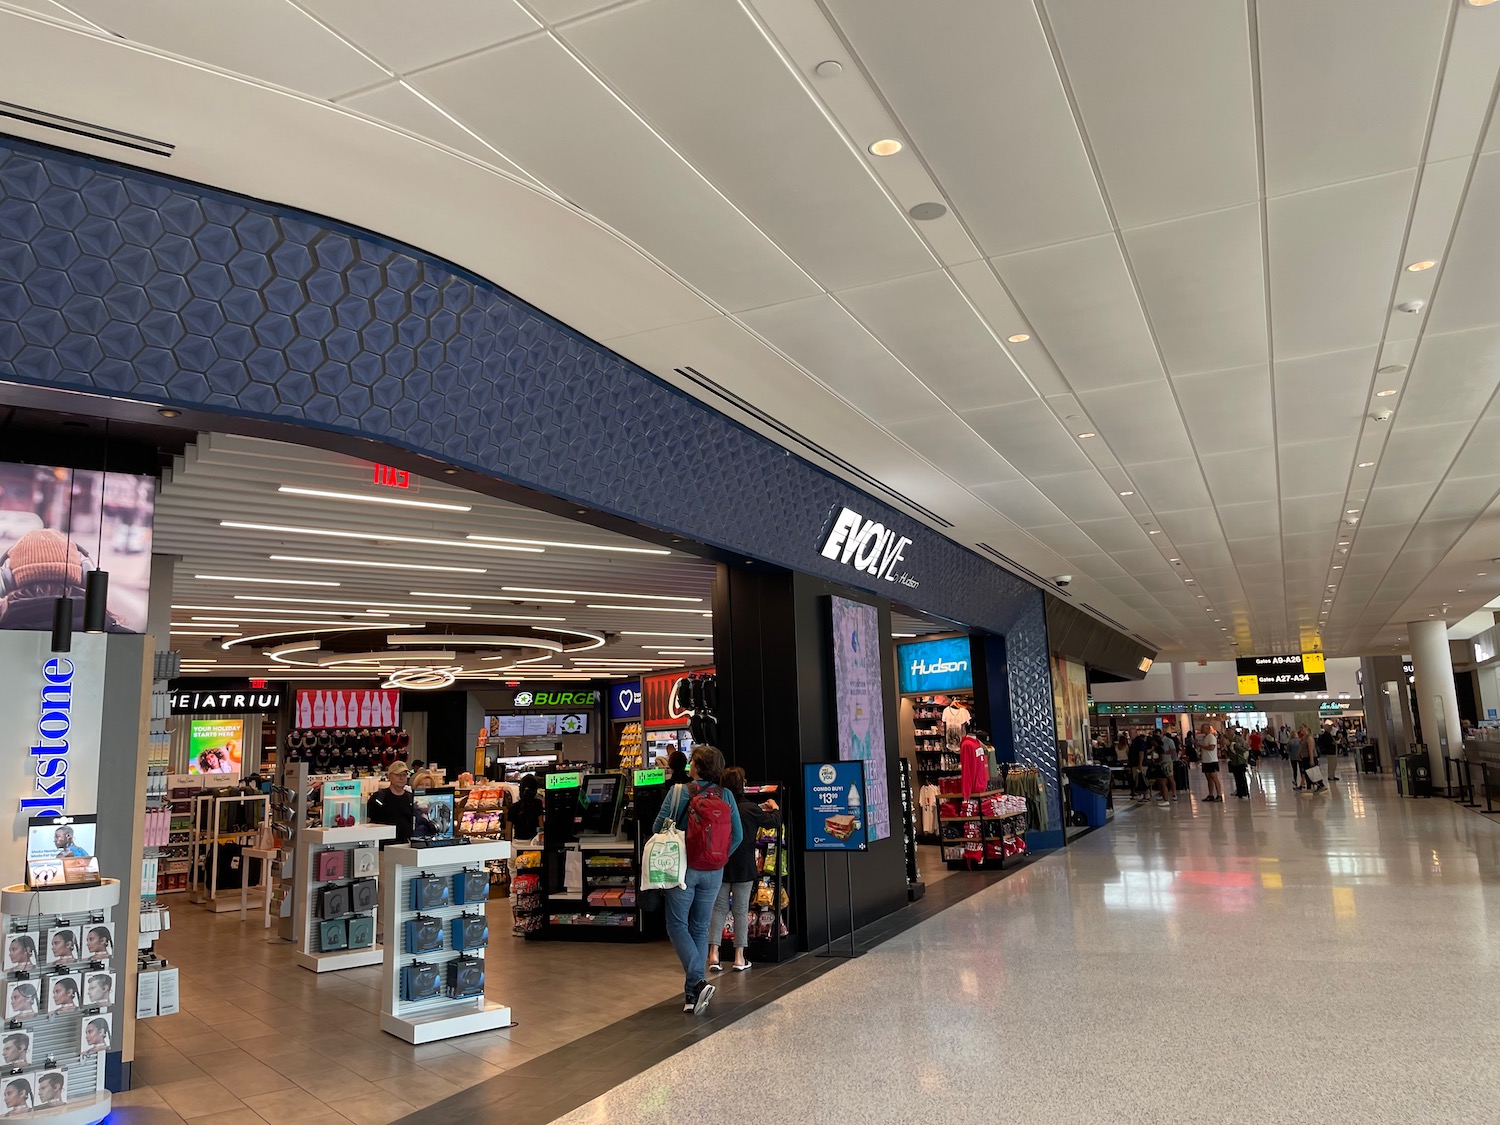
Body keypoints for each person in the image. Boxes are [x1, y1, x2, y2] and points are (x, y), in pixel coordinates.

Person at [653, 745, 742, 1016]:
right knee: (700, 927)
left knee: (676, 925)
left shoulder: (678, 791)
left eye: (692, 760)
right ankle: (692, 994)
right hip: (714, 871)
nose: (689, 764)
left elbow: (657, 827)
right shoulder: (726, 795)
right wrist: (719, 858)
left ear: (698, 766)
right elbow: (737, 835)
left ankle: (698, 981)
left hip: (683, 869)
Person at [707, 767, 780, 974]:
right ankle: (739, 957)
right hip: (745, 865)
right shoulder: (750, 809)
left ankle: (714, 954)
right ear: (742, 785)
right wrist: (774, 807)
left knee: (719, 909)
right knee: (740, 911)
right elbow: (773, 821)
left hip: (720, 863)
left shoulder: (718, 807)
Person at [367, 762, 418, 844]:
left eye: (404, 775)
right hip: (383, 848)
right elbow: (367, 822)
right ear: (389, 776)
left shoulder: (410, 798)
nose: (401, 778)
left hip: (406, 847)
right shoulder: (378, 798)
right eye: (398, 775)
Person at [510, 774, 544, 841]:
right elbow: (541, 825)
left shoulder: (513, 807)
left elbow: (508, 832)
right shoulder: (538, 803)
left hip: (517, 843)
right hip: (533, 841)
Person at [1198, 724, 1224, 803]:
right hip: (1206, 760)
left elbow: (1211, 747)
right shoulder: (1205, 737)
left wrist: (1201, 746)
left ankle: (1219, 795)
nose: (1201, 729)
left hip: (1211, 760)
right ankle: (1211, 794)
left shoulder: (1211, 737)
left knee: (1214, 777)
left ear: (1207, 729)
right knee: (1208, 778)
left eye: (1202, 728)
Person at [1298, 725, 1326, 793]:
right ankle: (1311, 787)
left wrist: (1311, 759)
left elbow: (1311, 749)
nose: (1301, 729)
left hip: (1310, 757)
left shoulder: (1309, 738)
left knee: (1312, 772)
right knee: (1307, 772)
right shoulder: (1303, 738)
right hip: (1305, 757)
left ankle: (1319, 786)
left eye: (1302, 728)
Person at [1229, 731, 1251, 799]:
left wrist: (1236, 746)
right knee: (1237, 777)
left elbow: (1244, 749)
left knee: (1241, 777)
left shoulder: (1237, 740)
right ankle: (1240, 791)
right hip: (1235, 761)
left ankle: (1244, 792)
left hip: (1240, 761)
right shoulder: (1231, 741)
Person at [1127, 732, 1149, 800]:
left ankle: (1146, 795)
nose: (1130, 736)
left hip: (1139, 765)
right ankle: (1142, 794)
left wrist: (1140, 764)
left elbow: (1141, 752)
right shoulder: (1134, 742)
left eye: (1131, 734)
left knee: (1142, 779)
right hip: (1135, 764)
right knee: (1137, 780)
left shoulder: (1139, 741)